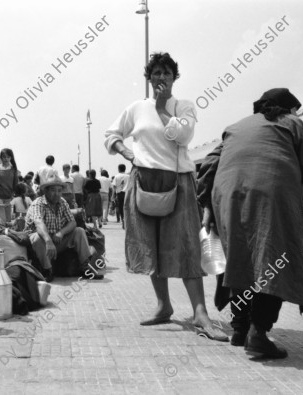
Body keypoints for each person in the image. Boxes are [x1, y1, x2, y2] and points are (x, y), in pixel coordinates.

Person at [198, 88, 303, 358]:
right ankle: (258, 333)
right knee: (274, 260)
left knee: (239, 259)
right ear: (287, 108)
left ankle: (239, 328)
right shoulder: (292, 123)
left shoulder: (235, 127)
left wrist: (207, 204)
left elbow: (209, 165)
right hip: (271, 196)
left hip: (227, 196)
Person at [105, 52, 226, 341]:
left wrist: (161, 108)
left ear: (175, 77)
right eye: (156, 73)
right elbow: (111, 135)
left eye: (166, 73)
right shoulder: (135, 108)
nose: (161, 77)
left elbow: (183, 137)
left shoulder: (183, 106)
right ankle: (163, 306)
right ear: (149, 77)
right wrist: (128, 153)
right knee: (150, 244)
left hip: (178, 182)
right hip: (144, 180)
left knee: (186, 246)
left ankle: (200, 314)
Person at [26, 175, 103, 282]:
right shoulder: (38, 203)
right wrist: (48, 240)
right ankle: (47, 270)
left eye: (59, 190)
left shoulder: (62, 202)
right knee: (38, 237)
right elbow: (39, 223)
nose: (56, 194)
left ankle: (86, 268)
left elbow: (72, 222)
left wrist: (61, 233)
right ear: (46, 191)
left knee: (79, 231)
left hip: (57, 241)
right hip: (41, 244)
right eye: (53, 190)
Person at [0, 148, 18, 224]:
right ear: (1, 157)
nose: (6, 159)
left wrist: (14, 196)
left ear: (11, 157)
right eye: (4, 157)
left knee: (8, 221)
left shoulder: (14, 169)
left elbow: (15, 185)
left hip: (9, 198)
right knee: (1, 221)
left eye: (8, 157)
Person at [112, 164, 129, 229]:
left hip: (119, 194)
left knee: (120, 207)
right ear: (125, 169)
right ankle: (126, 219)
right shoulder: (128, 176)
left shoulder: (116, 176)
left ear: (118, 169)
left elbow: (114, 187)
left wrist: (113, 195)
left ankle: (123, 219)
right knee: (127, 207)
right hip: (127, 193)